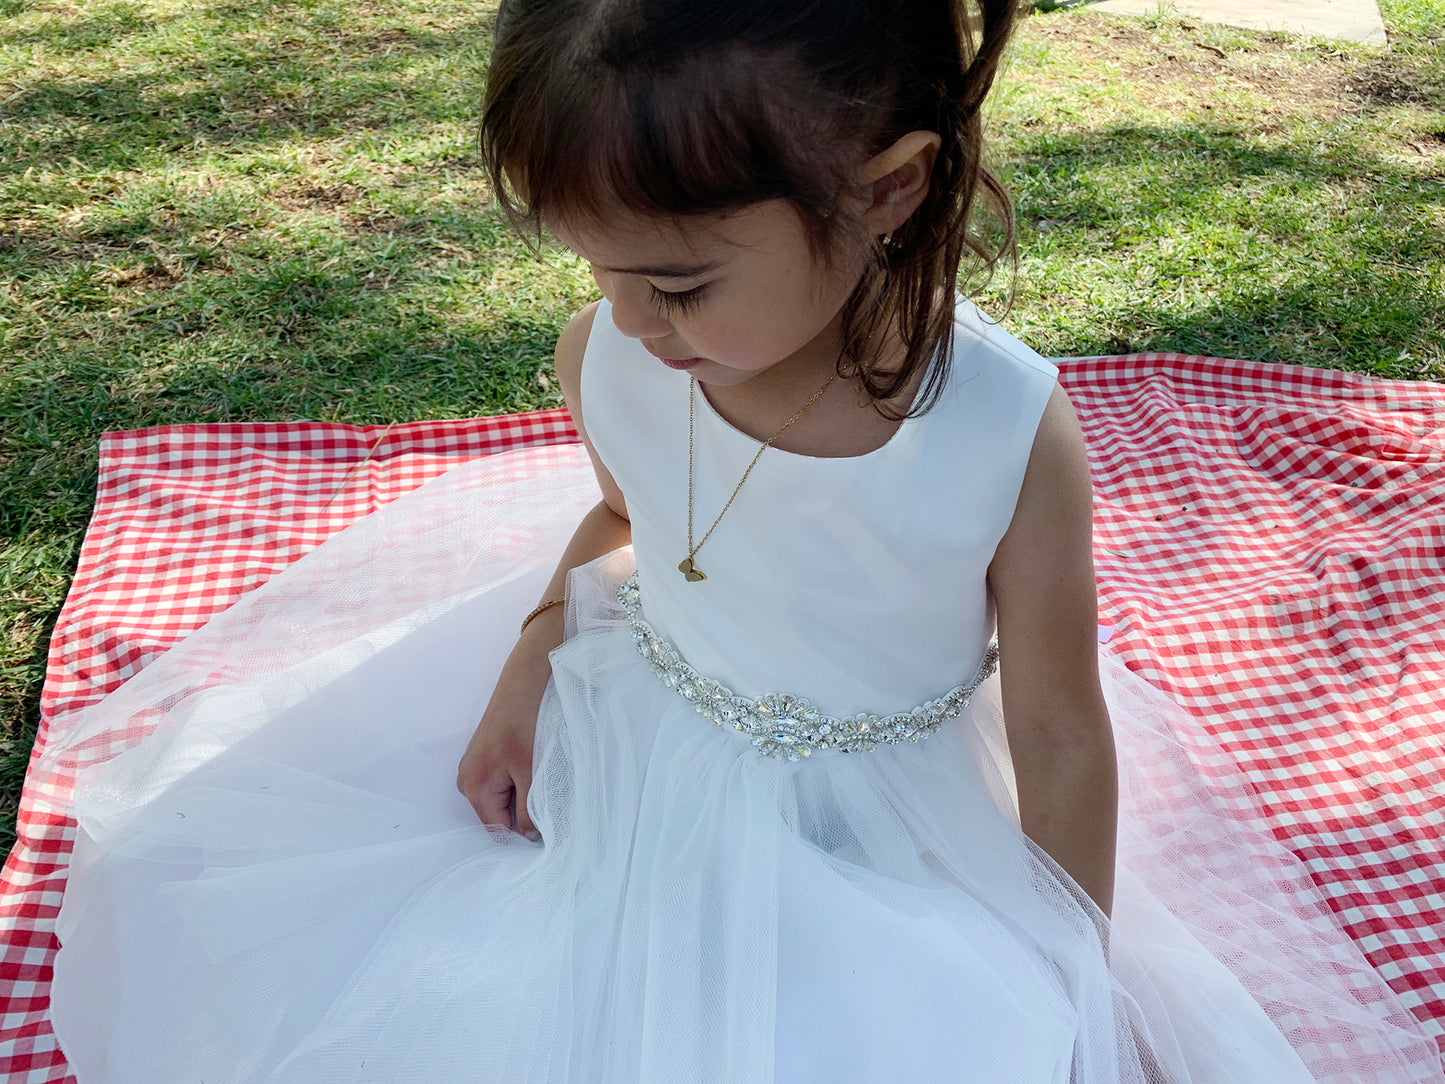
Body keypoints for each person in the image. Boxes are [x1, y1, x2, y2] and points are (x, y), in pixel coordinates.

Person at [43, 0, 1439, 1080]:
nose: (633, 325)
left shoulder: (1002, 431)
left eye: (676, 282)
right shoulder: (607, 353)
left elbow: (1063, 728)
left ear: (886, 191)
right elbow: (623, 519)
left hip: (893, 819)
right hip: (641, 736)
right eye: (596, 272)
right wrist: (529, 664)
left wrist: (1061, 966)